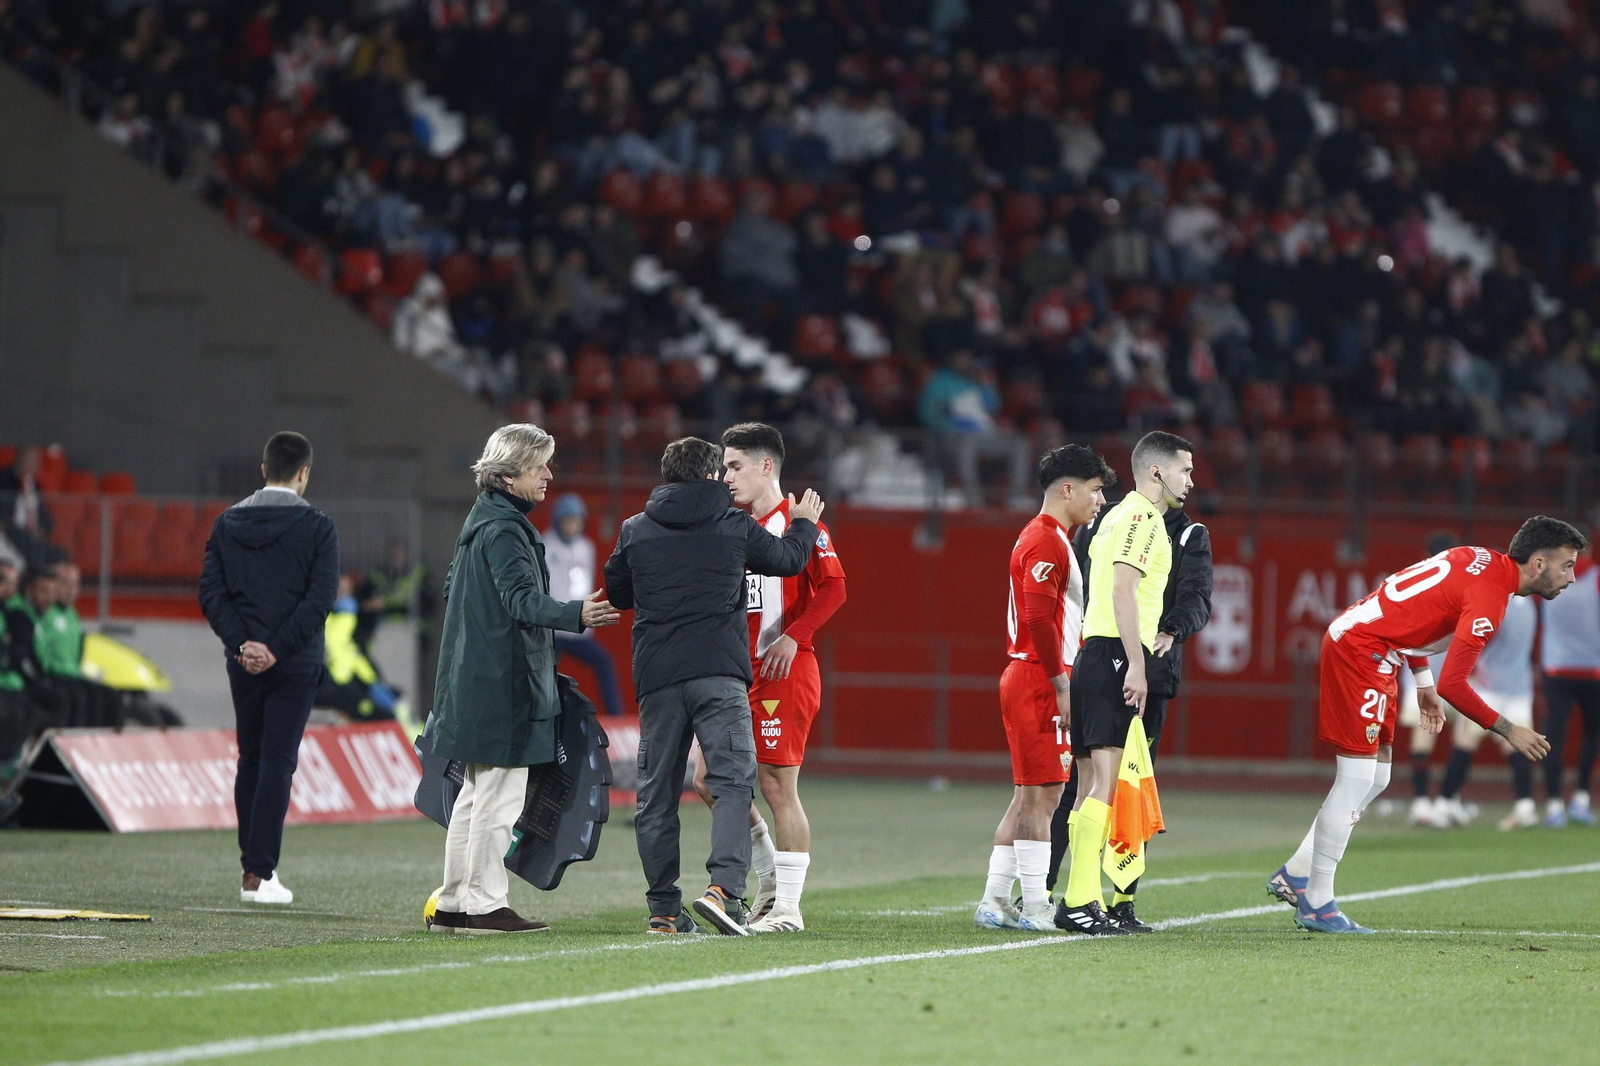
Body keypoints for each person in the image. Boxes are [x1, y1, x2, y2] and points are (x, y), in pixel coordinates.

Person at [1268, 517, 1580, 933]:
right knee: (1356, 777)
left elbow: (1413, 613)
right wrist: (1508, 729)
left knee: (1377, 776)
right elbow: (1456, 683)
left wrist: (1423, 684)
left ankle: (1297, 872)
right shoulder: (1491, 598)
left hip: (1380, 649)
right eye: (1568, 565)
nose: (1572, 577)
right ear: (1538, 563)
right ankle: (1317, 902)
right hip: (1363, 650)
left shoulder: (1475, 557)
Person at [603, 437, 824, 936]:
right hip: (720, 675)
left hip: (658, 677)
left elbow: (618, 591)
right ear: (708, 476)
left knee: (656, 794)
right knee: (730, 786)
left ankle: (664, 910)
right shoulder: (732, 524)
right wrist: (805, 523)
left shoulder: (635, 529)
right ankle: (725, 891)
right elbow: (789, 558)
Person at [427, 424, 620, 935]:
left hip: (473, 679)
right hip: (502, 686)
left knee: (473, 795)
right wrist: (578, 613)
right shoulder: (507, 528)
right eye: (540, 467)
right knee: (499, 797)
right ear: (511, 474)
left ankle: (453, 903)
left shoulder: (478, 522)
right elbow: (521, 602)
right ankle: (486, 906)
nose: (548, 476)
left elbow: (455, 589)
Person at [1042, 442, 1214, 929]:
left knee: (1083, 789)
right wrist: (1137, 665)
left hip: (1091, 655)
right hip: (1117, 653)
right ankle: (1079, 902)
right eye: (1185, 469)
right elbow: (1122, 590)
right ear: (1157, 471)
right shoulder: (1143, 521)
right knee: (1107, 785)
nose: (1191, 480)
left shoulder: (1109, 519)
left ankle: (1077, 899)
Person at [692, 422, 847, 933]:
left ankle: (788, 910)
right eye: (722, 467)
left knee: (778, 786)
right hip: (737, 674)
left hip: (785, 669)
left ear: (766, 467)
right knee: (707, 779)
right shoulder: (734, 529)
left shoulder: (802, 525)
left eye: (734, 466)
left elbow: (834, 590)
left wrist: (794, 636)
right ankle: (770, 883)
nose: (725, 476)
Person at [975, 445, 1112, 934]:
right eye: (1096, 491)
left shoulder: (1045, 537)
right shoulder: (1047, 541)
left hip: (1030, 673)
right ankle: (1034, 904)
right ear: (1067, 489)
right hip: (1039, 675)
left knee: (1027, 797)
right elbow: (1036, 618)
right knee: (1045, 798)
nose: (1100, 501)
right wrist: (1061, 685)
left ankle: (995, 900)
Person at [199, 432, 339, 906]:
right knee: (278, 762)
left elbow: (211, 594)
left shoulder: (226, 523)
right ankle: (262, 874)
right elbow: (319, 600)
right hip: (294, 662)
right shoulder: (318, 528)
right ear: (303, 473)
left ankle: (251, 872)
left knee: (251, 759)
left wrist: (244, 644)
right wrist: (277, 648)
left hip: (243, 662)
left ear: (264, 470)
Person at [1536, 535, 1600, 827]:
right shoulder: (1596, 579)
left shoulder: (1546, 579)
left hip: (1557, 669)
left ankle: (1553, 805)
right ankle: (1582, 798)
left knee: (1553, 738)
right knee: (1592, 737)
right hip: (1593, 672)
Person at [543, 493, 623, 717]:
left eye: (577, 520)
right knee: (542, 674)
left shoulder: (586, 548)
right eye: (569, 520)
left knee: (604, 662)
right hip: (553, 631)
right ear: (558, 521)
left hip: (579, 630)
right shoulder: (545, 546)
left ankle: (615, 720)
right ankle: (543, 721)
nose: (573, 526)